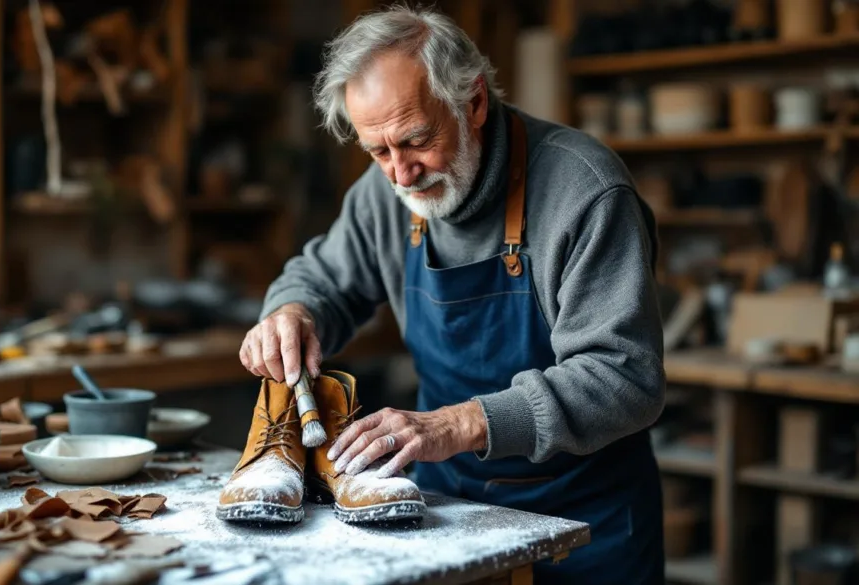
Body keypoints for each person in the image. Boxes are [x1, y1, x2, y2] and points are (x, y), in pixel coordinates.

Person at [239, 5, 666, 583]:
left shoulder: (584, 191)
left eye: (416, 141)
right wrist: (291, 312)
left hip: (585, 518)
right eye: (377, 151)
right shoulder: (384, 193)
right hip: (450, 508)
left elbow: (624, 376)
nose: (401, 175)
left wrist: (456, 425)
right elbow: (320, 279)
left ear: (474, 103)